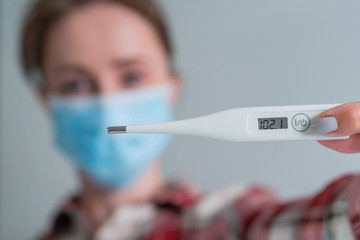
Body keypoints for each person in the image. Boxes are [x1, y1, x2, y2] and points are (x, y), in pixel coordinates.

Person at [20, 0, 360, 239]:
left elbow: (327, 226)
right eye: (74, 84)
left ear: (171, 88)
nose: (108, 102)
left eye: (132, 77)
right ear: (45, 101)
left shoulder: (233, 222)